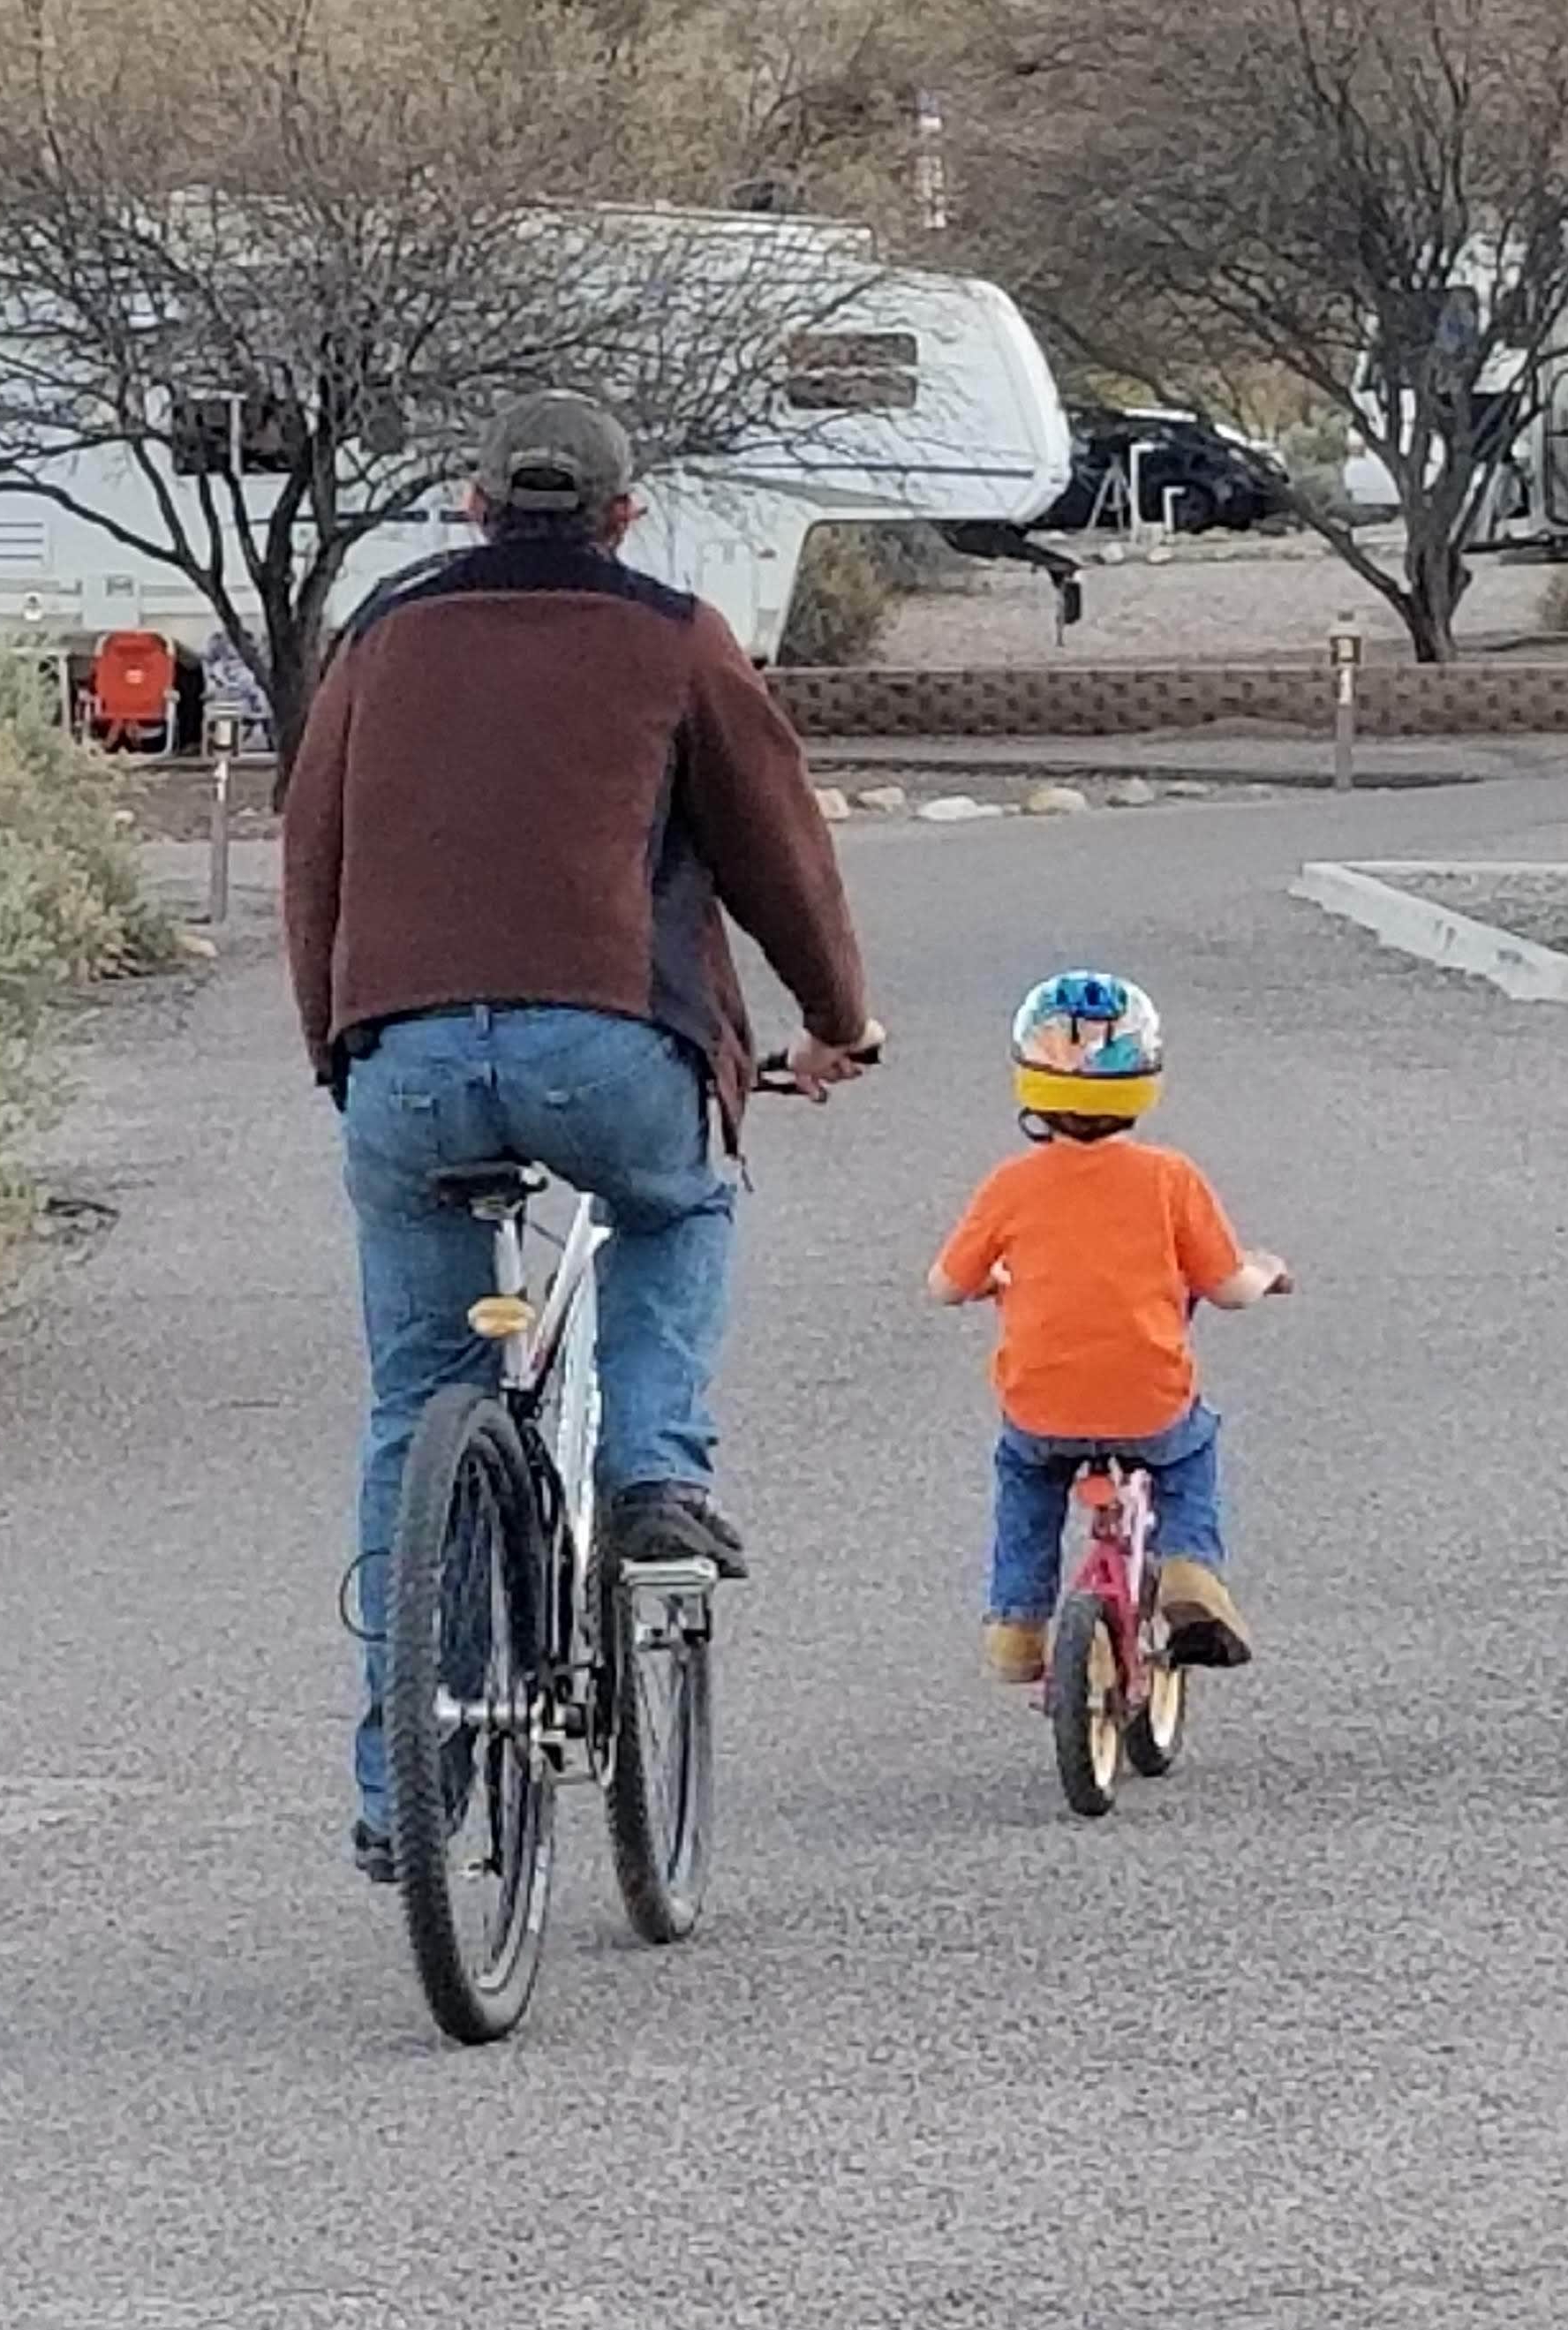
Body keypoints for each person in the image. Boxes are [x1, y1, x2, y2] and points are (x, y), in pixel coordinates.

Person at [283, 390, 879, 1882]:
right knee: (676, 1207)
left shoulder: (377, 634)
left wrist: (342, 1044)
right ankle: (653, 1485)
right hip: (611, 1041)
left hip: (401, 1047)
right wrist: (835, 1020)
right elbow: (776, 846)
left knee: (414, 1389)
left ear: (472, 506)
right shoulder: (674, 633)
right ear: (623, 514)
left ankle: (397, 1779)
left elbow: (313, 854)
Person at [926, 970, 1289, 1685]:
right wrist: (1267, 1271)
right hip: (1148, 1406)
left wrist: (990, 1283)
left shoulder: (1011, 1184)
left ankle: (1017, 1624)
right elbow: (1228, 1287)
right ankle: (1189, 1571)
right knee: (1190, 1453)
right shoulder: (1169, 1179)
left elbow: (944, 1286)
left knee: (1025, 1478)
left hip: (1042, 1409)